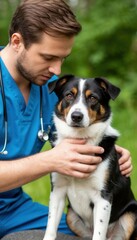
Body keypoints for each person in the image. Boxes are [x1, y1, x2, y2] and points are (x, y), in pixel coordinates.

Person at [0, 0, 132, 239]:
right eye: (49, 57)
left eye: (62, 58)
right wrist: (49, 160)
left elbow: (70, 138)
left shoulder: (51, 90)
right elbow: (55, 157)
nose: (57, 70)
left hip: (15, 209)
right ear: (17, 42)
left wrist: (108, 154)